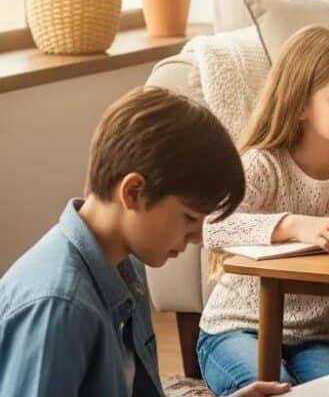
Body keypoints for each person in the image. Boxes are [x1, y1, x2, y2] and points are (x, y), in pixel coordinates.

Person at [0, 86, 290, 396]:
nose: (197, 237)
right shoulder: (60, 308)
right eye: (190, 218)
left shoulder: (126, 267)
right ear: (133, 192)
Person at [197, 25, 329, 395]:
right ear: (300, 104)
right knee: (276, 390)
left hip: (315, 340)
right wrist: (296, 225)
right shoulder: (264, 165)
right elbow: (214, 228)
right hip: (235, 328)